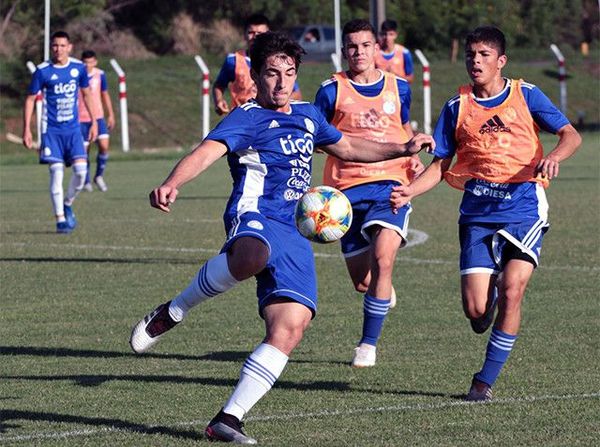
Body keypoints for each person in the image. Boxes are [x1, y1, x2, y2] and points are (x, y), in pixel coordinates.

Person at [129, 31, 434, 444]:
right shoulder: (246, 116)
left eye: (289, 73)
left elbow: (348, 147)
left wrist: (401, 147)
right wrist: (172, 182)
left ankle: (228, 419)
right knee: (252, 254)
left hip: (295, 230)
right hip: (254, 214)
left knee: (291, 326)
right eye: (272, 74)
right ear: (255, 75)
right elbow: (206, 152)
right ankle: (175, 310)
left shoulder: (308, 115)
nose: (281, 83)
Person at [390, 26, 581, 401]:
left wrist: (553, 157)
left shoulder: (525, 95)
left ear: (501, 61)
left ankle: (483, 383)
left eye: (483, 55)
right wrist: (410, 190)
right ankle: (486, 303)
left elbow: (570, 134)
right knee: (477, 312)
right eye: (471, 55)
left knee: (513, 290)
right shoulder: (455, 106)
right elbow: (440, 164)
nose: (475, 61)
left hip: (524, 206)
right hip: (477, 212)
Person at [314, 18, 424, 368]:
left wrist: (414, 157)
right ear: (343, 51)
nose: (358, 52)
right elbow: (315, 136)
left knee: (383, 259)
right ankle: (381, 288)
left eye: (365, 46)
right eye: (351, 47)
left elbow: (402, 127)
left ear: (376, 48)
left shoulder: (399, 87)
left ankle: (367, 345)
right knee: (364, 282)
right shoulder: (331, 91)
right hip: (345, 194)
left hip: (390, 186)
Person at [22, 31, 98, 234]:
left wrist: (94, 121)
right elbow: (30, 99)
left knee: (81, 174)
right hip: (51, 131)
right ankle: (60, 219)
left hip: (73, 131)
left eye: (63, 45)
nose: (59, 49)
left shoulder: (78, 68)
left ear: (70, 47)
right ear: (51, 47)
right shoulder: (43, 71)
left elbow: (87, 94)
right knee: (56, 173)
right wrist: (27, 129)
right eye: (55, 45)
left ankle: (67, 202)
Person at [212, 13, 302, 116]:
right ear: (244, 34)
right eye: (251, 32)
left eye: (260, 33)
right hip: (243, 120)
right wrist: (219, 101)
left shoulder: (279, 63)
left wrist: (277, 99)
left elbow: (297, 94)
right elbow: (219, 85)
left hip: (270, 119)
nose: (255, 37)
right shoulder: (233, 60)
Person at [78, 50, 115, 192]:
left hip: (98, 117)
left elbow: (105, 94)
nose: (88, 65)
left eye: (90, 62)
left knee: (104, 146)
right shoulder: (77, 75)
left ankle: (98, 176)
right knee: (84, 151)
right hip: (82, 118)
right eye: (85, 62)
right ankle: (86, 181)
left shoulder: (100, 75)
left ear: (95, 62)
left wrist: (110, 114)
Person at [375, 19, 414, 84]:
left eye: (391, 34)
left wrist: (395, 75)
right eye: (385, 34)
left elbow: (410, 79)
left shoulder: (404, 52)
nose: (387, 38)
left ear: (395, 35)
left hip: (399, 91)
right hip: (380, 92)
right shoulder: (375, 52)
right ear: (381, 34)